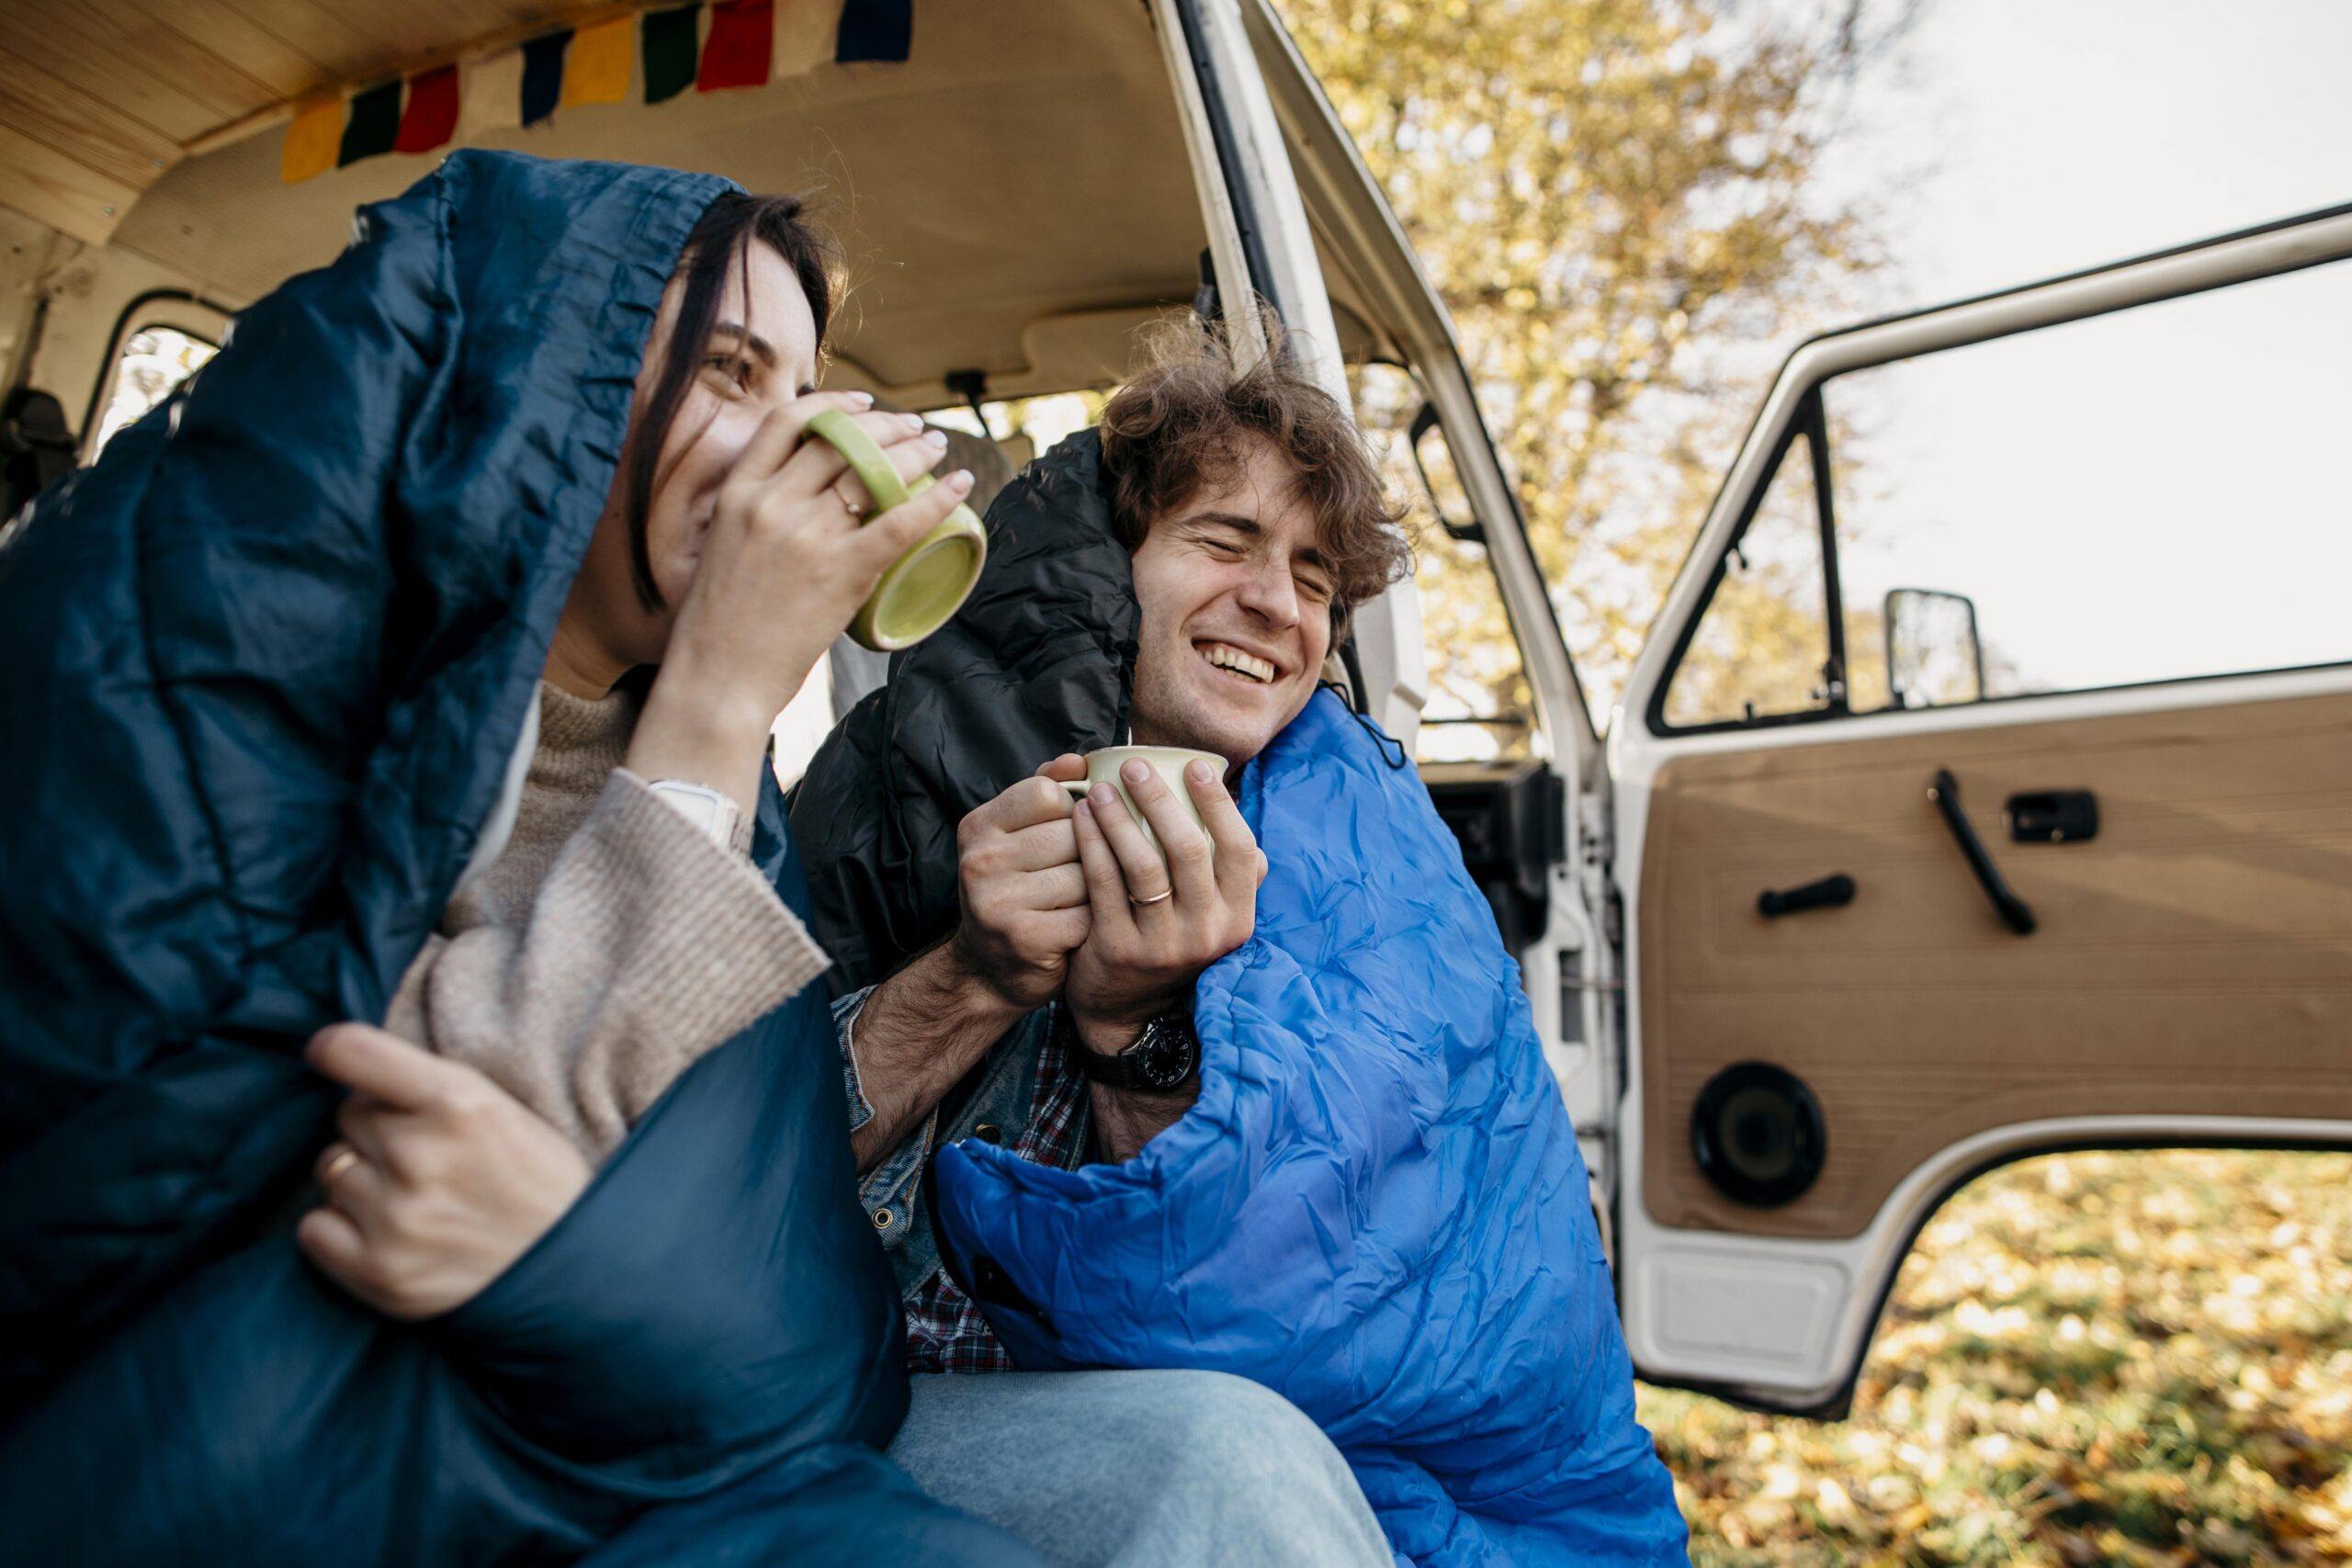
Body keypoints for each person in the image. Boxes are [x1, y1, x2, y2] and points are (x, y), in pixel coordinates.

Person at [0, 151, 1029, 1566]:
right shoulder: (242, 658)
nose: (784, 454)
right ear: (545, 382)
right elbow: (352, 1190)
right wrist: (723, 695)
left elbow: (799, 1309)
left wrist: (590, 1273)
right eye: (730, 373)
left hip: (647, 1445)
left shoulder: (719, 776)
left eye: (804, 402)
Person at [790, 321, 1692, 1563]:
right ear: (1109, 567)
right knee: (1237, 1465)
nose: (1277, 603)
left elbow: (1321, 1291)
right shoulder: (889, 787)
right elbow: (725, 1193)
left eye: (1318, 579)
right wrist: (972, 979)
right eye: (1225, 541)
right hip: (886, 1402)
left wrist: (1131, 1033)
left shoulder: (1365, 827)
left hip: (1335, 1434)